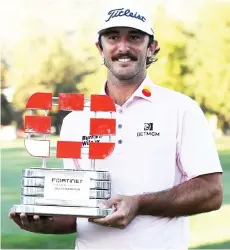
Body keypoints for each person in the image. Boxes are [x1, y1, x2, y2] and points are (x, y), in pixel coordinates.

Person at [9, 3, 223, 249]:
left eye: (134, 37)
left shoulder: (181, 109)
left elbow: (211, 193)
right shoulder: (76, 119)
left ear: (151, 47)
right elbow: (83, 209)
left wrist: (139, 203)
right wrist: (45, 220)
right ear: (100, 48)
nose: (123, 47)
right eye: (113, 38)